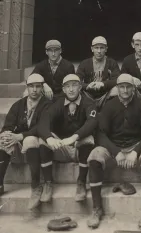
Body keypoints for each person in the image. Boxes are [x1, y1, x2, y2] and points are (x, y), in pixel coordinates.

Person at [86, 74, 141, 229]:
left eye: (128, 87)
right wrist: (115, 152)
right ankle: (97, 208)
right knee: (94, 157)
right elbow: (100, 133)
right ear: (117, 88)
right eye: (122, 87)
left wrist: (136, 151)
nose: (125, 90)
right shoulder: (109, 106)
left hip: (136, 145)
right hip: (114, 147)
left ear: (133, 88)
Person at [37, 74, 97, 203]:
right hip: (61, 146)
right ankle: (48, 182)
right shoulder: (57, 103)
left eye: (74, 85)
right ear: (63, 89)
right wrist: (49, 138)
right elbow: (43, 122)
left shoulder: (88, 102)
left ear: (80, 87)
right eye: (67, 86)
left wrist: (75, 137)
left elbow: (92, 122)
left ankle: (81, 182)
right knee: (42, 140)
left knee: (89, 139)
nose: (71, 89)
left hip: (78, 147)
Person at [0, 74, 50, 210]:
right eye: (31, 86)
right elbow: (7, 126)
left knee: (29, 140)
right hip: (20, 143)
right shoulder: (19, 104)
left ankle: (36, 185)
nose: (34, 90)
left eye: (38, 87)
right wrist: (7, 135)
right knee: (4, 138)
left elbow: (42, 128)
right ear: (27, 87)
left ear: (42, 88)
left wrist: (20, 136)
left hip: (38, 143)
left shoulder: (47, 104)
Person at [76, 36, 121, 109]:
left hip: (106, 95)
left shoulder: (112, 63)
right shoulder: (84, 63)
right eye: (96, 48)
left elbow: (117, 80)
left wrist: (103, 84)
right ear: (92, 49)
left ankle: (110, 111)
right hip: (88, 95)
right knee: (76, 90)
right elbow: (77, 80)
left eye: (102, 48)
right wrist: (87, 86)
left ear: (106, 49)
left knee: (117, 89)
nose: (99, 51)